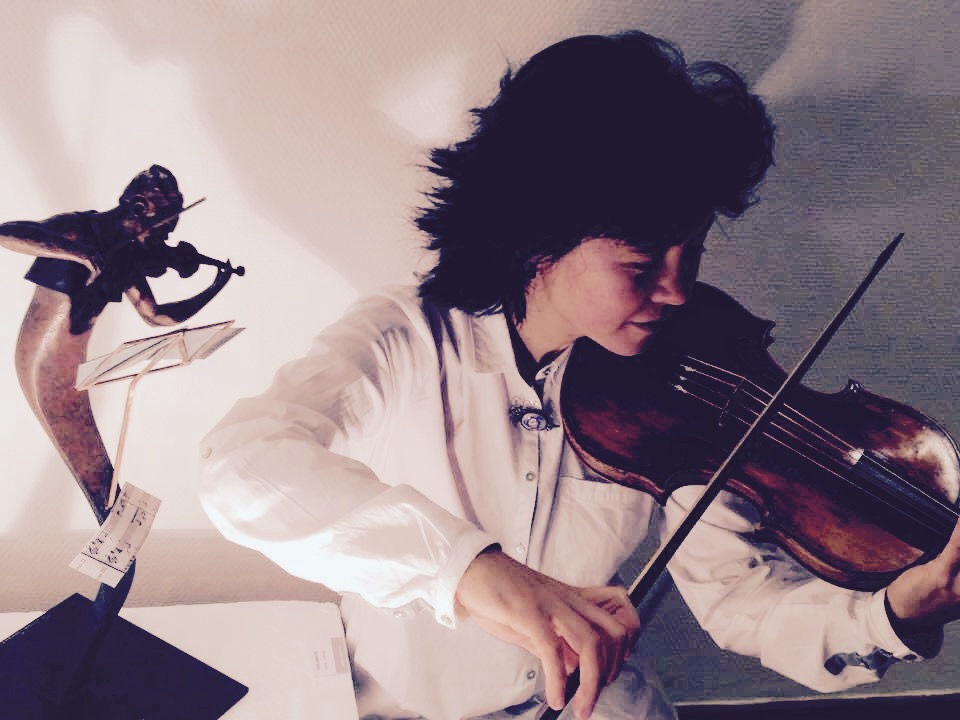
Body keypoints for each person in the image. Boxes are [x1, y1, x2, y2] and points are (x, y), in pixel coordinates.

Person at [198, 31, 958, 720]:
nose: (678, 291)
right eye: (640, 263)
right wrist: (469, 570)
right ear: (538, 240)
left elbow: (740, 598)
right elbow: (242, 466)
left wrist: (897, 611)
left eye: (692, 250)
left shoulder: (691, 381)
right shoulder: (407, 337)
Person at [1, 165, 239, 521]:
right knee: (85, 456)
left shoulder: (124, 256)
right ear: (139, 207)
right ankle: (112, 524)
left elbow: (156, 316)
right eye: (159, 228)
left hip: (70, 360)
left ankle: (113, 529)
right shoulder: (77, 228)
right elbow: (6, 233)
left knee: (98, 474)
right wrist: (79, 253)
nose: (160, 241)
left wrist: (213, 287)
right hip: (45, 362)